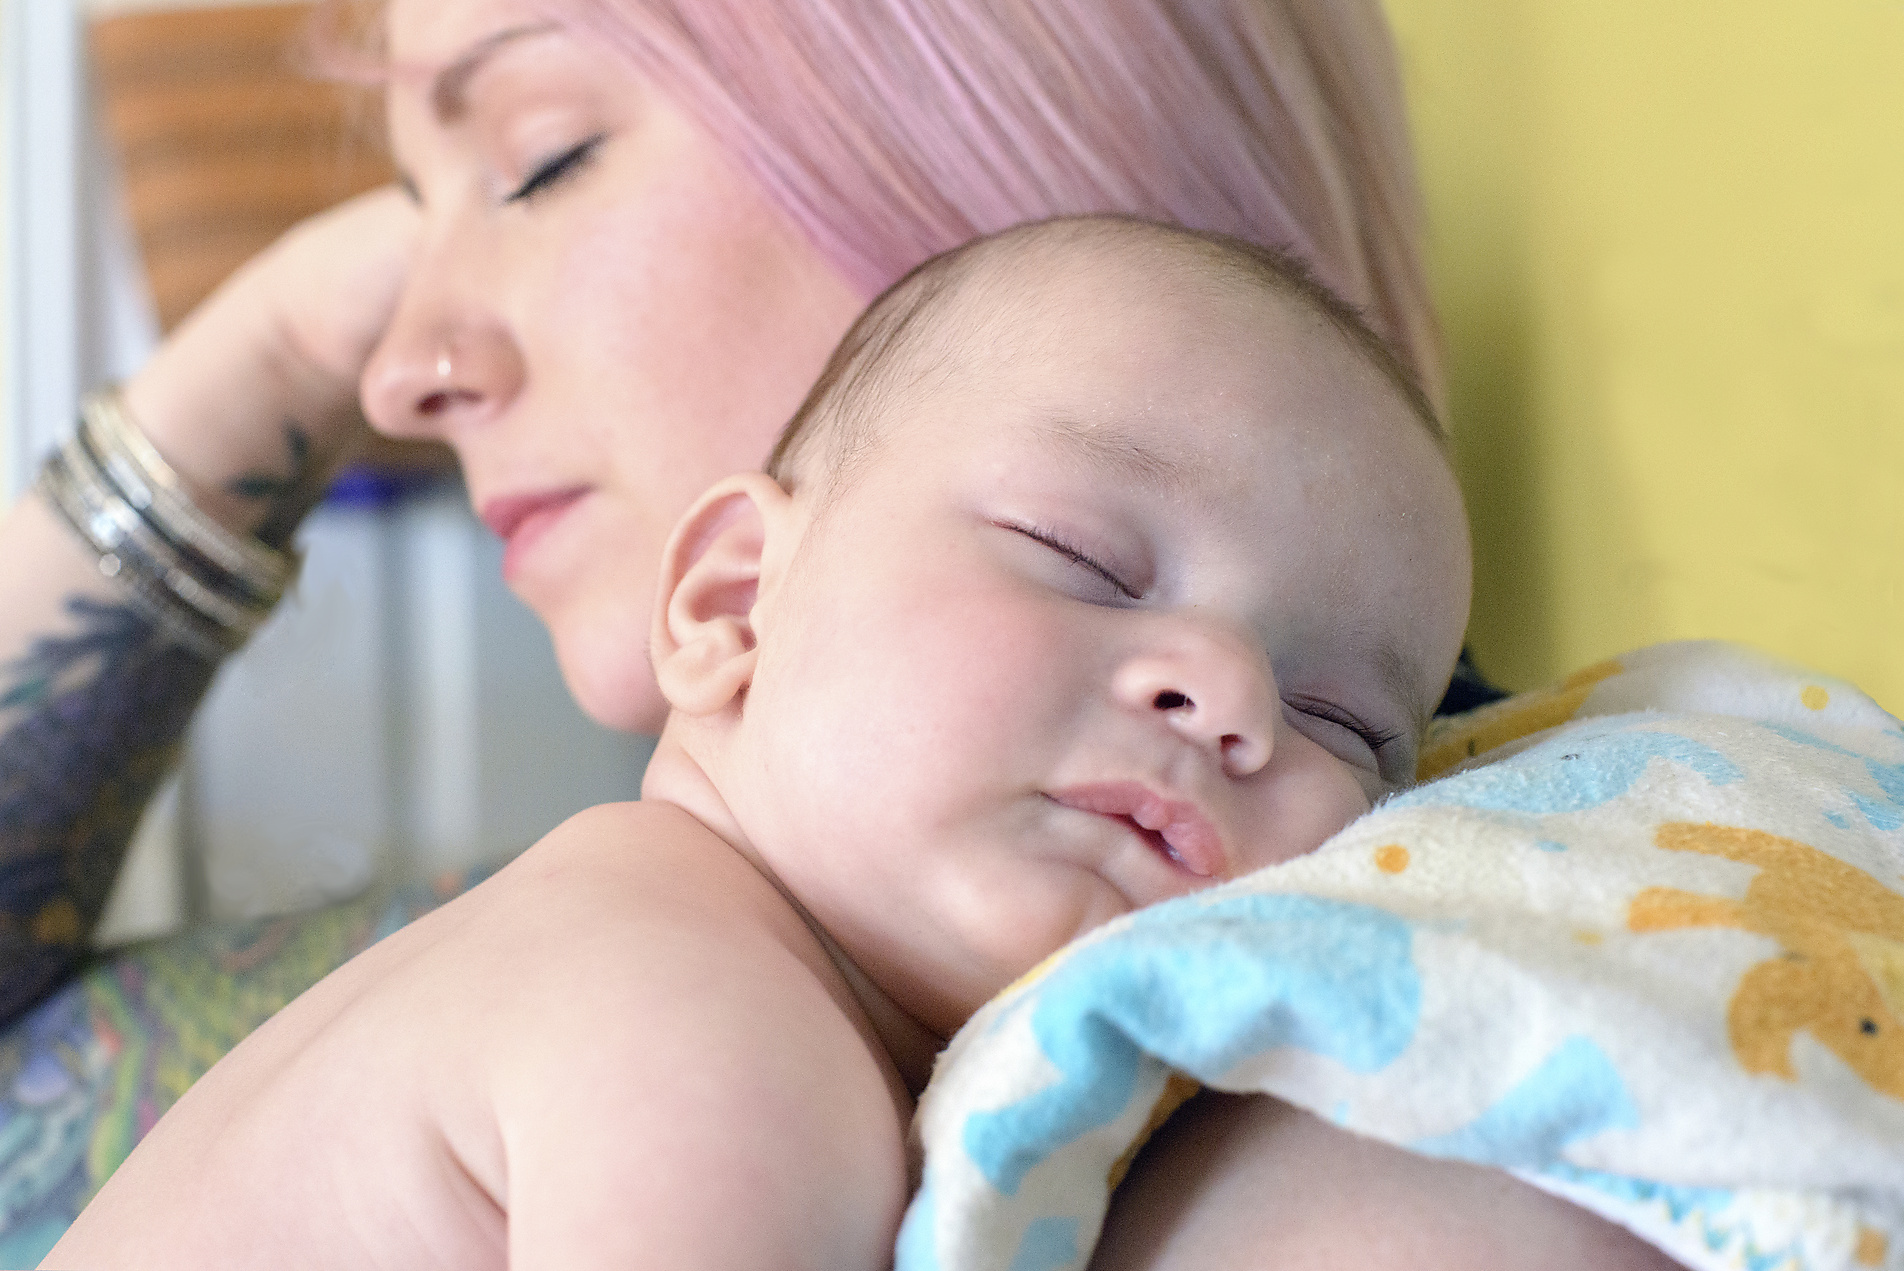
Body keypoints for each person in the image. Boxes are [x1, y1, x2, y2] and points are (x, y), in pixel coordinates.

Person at [0, 1, 1558, 1266]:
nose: (398, 369)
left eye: (541, 159)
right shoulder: (690, 1005)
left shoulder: (1452, 970)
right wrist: (272, 348)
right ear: (729, 592)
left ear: (1004, 104)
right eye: (1085, 558)